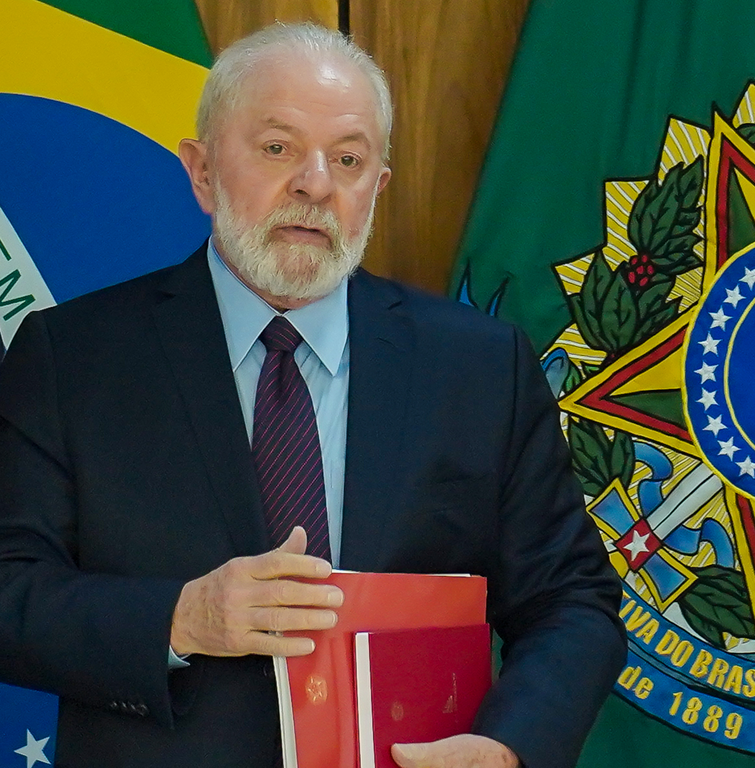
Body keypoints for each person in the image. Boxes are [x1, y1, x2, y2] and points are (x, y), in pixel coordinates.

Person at [0, 21, 625, 768]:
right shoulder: (73, 358)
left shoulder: (481, 366)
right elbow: (10, 593)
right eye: (278, 148)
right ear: (200, 172)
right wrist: (181, 618)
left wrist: (507, 746)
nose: (316, 183)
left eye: (350, 159)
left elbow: (573, 600)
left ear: (377, 187)